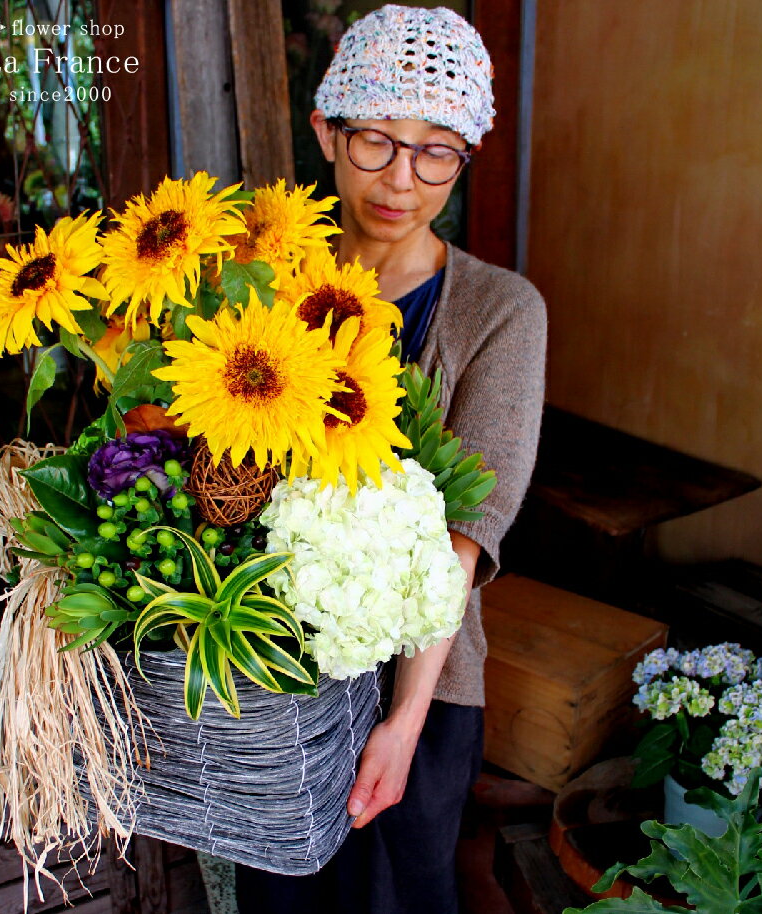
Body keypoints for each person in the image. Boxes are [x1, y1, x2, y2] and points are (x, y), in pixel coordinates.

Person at [236, 6, 547, 913]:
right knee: (281, 894)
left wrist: (403, 722)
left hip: (427, 686)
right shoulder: (269, 280)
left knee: (398, 896)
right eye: (376, 141)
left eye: (435, 151)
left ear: (464, 156)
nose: (402, 180)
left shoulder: (501, 312)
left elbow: (466, 534)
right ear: (326, 132)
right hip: (275, 674)